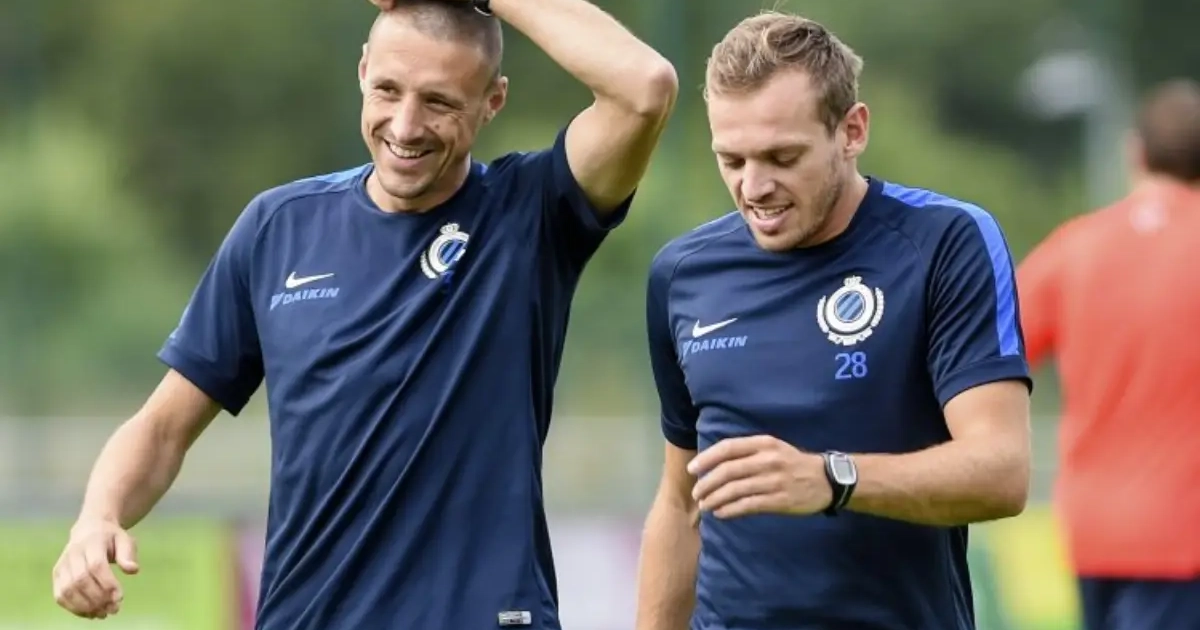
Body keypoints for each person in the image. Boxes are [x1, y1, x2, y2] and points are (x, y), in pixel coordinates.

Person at [51, 0, 677, 627]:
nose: (405, 125)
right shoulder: (278, 228)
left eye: (438, 102)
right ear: (361, 71)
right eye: (387, 90)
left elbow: (644, 89)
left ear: (492, 101)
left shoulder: (530, 214)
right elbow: (162, 428)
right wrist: (97, 517)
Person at [634, 11, 1032, 630]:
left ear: (852, 130)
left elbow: (1002, 473)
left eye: (782, 156)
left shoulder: (944, 242)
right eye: (731, 160)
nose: (754, 187)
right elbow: (681, 504)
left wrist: (832, 478)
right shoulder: (682, 274)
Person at [1015, 78, 1200, 630]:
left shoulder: (1074, 246)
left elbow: (987, 352)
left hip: (1094, 530)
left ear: (1134, 152)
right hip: (1186, 534)